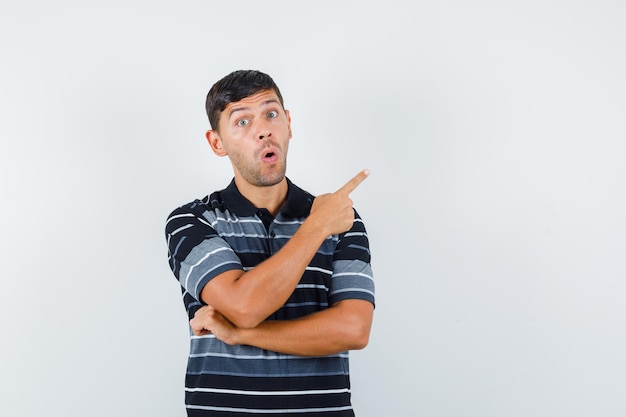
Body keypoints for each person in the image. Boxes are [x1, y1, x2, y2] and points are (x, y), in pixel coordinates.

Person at [164, 69, 375, 417]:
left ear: (288, 124)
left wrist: (241, 335)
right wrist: (317, 226)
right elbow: (244, 307)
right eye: (242, 122)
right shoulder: (192, 220)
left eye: (271, 114)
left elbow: (353, 329)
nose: (263, 129)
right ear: (217, 142)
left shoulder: (340, 218)